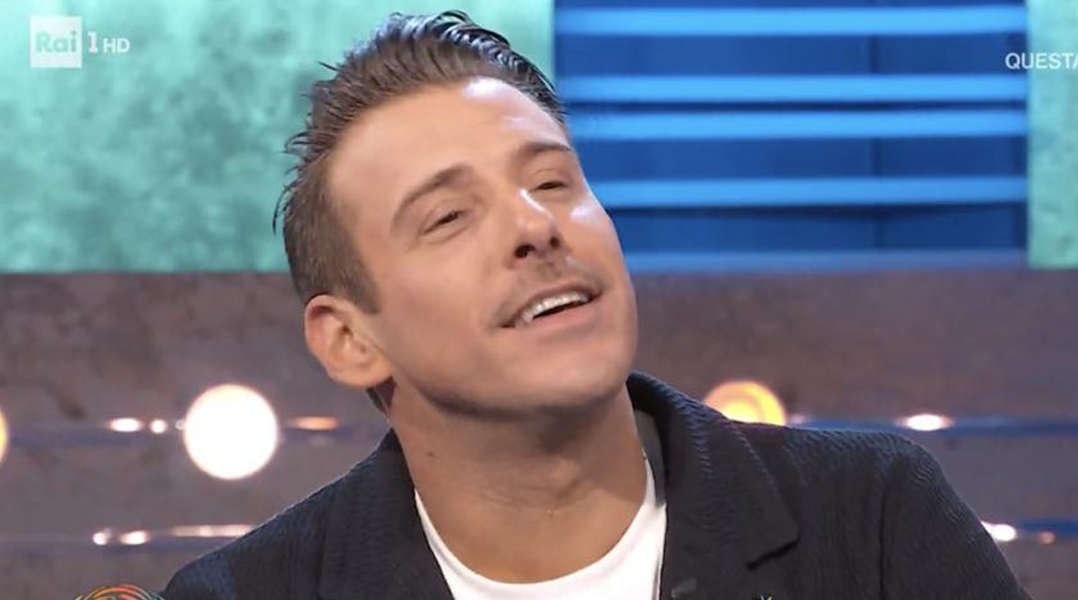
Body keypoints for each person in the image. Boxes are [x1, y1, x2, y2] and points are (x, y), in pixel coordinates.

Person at [162, 10, 1031, 600]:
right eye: (450, 216)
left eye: (552, 181)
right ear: (349, 339)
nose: (535, 227)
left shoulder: (868, 521)